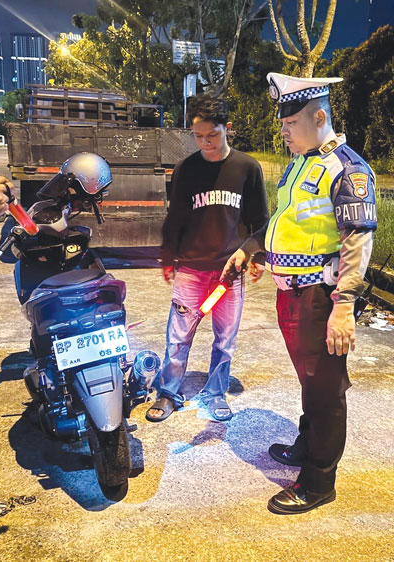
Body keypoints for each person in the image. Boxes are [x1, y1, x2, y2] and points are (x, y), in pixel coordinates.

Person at [222, 72, 377, 514]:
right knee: (309, 380)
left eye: (291, 122)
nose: (284, 131)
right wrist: (250, 247)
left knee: (325, 391)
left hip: (321, 298)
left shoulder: (347, 169)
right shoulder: (300, 164)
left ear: (319, 117)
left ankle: (317, 481)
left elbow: (357, 240)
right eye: (283, 123)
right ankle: (307, 445)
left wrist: (344, 306)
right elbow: (285, 221)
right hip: (291, 296)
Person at [146, 94, 269, 423]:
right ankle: (168, 392)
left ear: (227, 128)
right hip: (191, 270)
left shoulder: (247, 168)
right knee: (178, 337)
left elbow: (259, 219)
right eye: (198, 136)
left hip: (230, 272)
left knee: (225, 340)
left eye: (212, 135)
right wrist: (167, 256)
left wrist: (258, 257)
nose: (205, 143)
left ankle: (215, 393)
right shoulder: (186, 169)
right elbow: (175, 218)